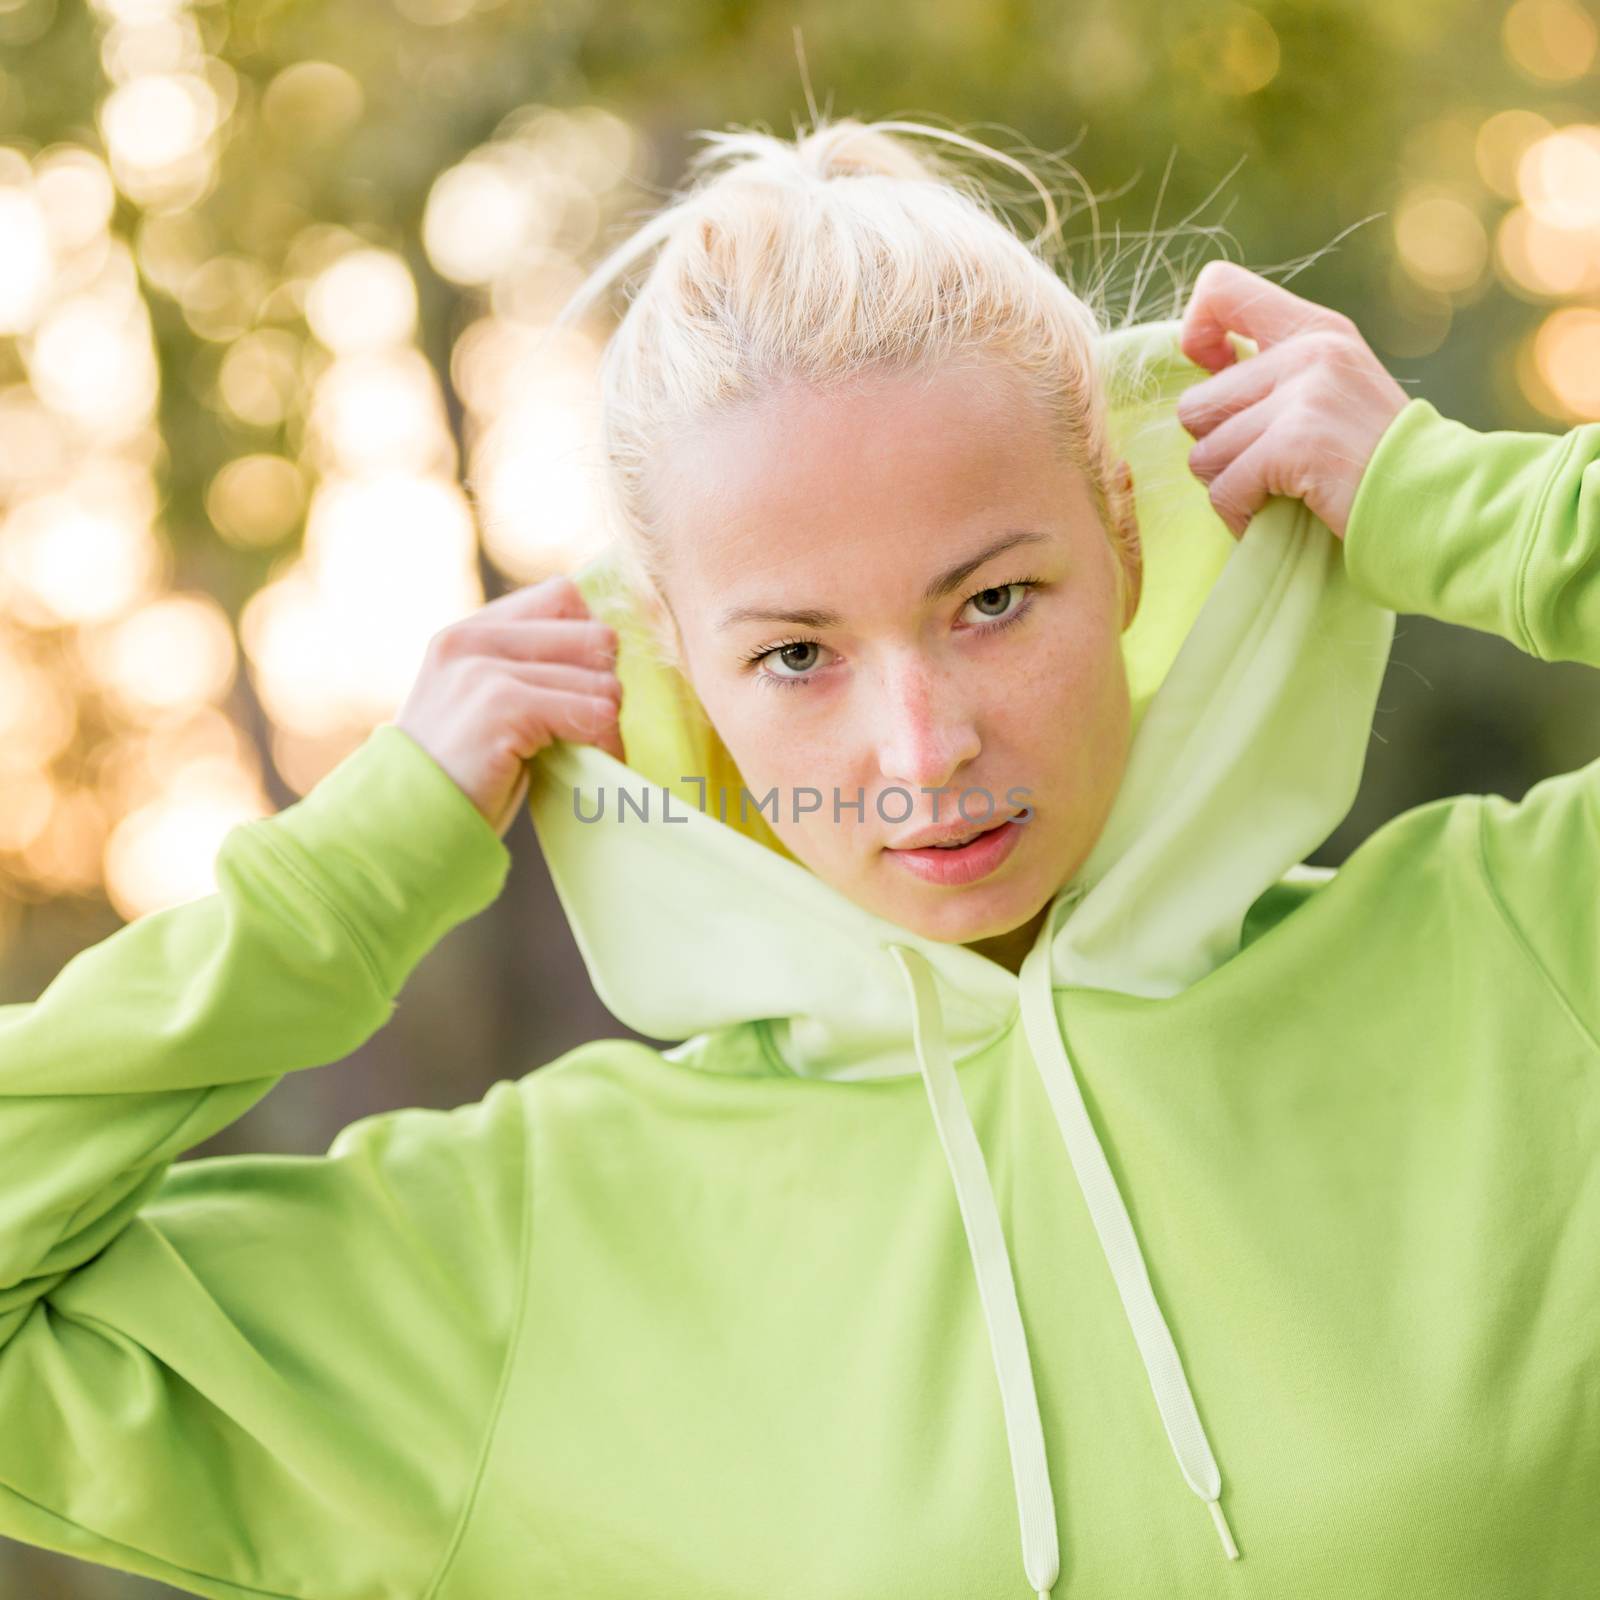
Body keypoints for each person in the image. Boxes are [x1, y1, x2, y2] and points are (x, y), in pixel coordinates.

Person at [1, 115, 1596, 1600]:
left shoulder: (1523, 962)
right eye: (795, 658)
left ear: (1122, 536)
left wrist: (1475, 509)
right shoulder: (531, 1243)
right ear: (682, 674)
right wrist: (355, 874)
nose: (922, 752)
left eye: (990, 603)